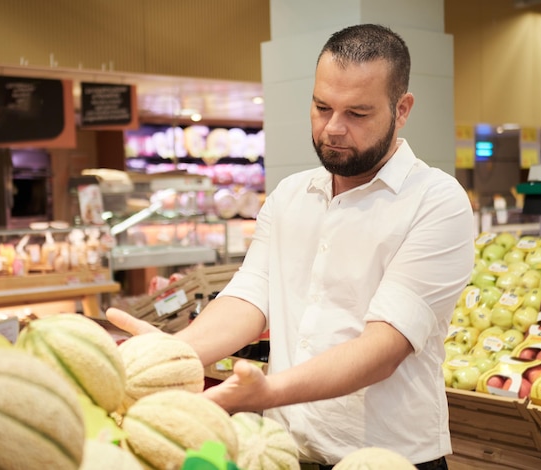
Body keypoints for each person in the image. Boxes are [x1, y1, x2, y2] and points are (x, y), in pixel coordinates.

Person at [107, 23, 475, 469]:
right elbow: (248, 297)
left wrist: (268, 392)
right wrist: (172, 355)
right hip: (284, 455)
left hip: (387, 458)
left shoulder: (436, 201)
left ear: (402, 109)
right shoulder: (289, 195)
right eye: (322, 107)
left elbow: (383, 347)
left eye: (357, 114)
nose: (333, 129)